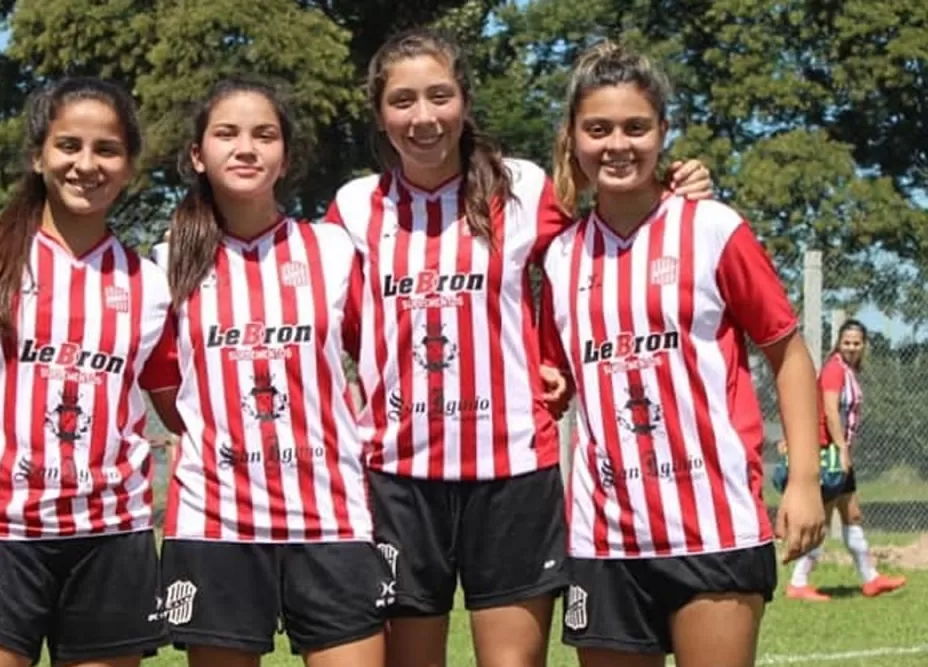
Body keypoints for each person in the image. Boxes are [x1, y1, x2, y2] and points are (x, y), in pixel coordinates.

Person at [324, 28, 713, 667]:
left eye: (440, 95)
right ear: (379, 113)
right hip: (397, 479)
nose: (424, 117)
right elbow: (334, 319)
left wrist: (678, 184)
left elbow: (607, 233)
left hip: (511, 472)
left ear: (466, 102)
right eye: (403, 101)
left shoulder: (526, 187)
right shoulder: (351, 208)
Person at [536, 41, 825, 667]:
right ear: (574, 138)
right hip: (605, 538)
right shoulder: (560, 259)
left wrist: (804, 479)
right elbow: (553, 374)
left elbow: (789, 353)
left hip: (715, 525)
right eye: (599, 129)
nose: (618, 144)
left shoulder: (714, 228)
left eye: (636, 127)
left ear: (664, 132)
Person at [0, 76, 175, 667]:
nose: (87, 163)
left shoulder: (151, 285)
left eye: (107, 149)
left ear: (129, 166)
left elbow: (179, 405)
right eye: (68, 146)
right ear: (38, 157)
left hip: (110, 534)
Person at [152, 76, 388, 667]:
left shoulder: (333, 251)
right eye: (226, 134)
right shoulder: (163, 266)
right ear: (197, 155)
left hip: (331, 519)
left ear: (285, 158)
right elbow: (163, 396)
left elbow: (388, 356)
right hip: (216, 524)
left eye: (265, 135)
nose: (246, 148)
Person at [785, 319, 906, 600]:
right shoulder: (834, 370)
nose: (852, 347)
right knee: (823, 519)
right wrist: (841, 449)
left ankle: (871, 579)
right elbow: (829, 410)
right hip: (829, 453)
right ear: (839, 343)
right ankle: (798, 583)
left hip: (840, 452)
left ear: (864, 346)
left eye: (857, 343)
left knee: (852, 515)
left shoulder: (849, 371)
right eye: (847, 342)